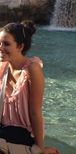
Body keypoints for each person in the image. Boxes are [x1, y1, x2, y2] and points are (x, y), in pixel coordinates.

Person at [0, 21, 59, 154]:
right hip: (3, 130)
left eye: (6, 44)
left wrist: (40, 148)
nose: (0, 47)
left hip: (23, 134)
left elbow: (35, 112)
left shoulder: (32, 69)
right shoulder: (2, 67)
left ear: (20, 46)